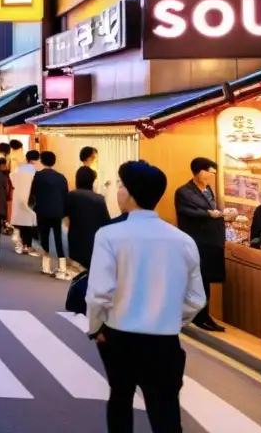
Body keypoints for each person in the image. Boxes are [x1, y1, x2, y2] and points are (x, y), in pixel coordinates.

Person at [87, 161, 205, 433]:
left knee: (120, 398)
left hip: (119, 336)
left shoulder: (109, 235)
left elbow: (99, 294)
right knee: (165, 410)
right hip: (164, 340)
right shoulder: (183, 240)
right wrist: (171, 319)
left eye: (121, 185)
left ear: (130, 193)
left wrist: (96, 329)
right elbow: (196, 298)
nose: (118, 191)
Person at [175, 157, 227, 332]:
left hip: (212, 241)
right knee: (198, 279)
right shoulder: (184, 191)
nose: (211, 176)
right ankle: (199, 315)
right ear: (199, 171)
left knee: (207, 279)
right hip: (197, 241)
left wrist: (222, 214)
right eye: (209, 172)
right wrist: (208, 214)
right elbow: (185, 211)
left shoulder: (209, 189)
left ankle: (204, 315)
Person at [30, 151, 69, 278]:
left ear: (41, 161)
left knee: (44, 237)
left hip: (42, 211)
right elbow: (65, 195)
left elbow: (33, 193)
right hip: (58, 211)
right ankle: (62, 267)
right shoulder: (61, 177)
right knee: (58, 238)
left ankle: (46, 266)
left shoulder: (38, 176)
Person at [64, 166, 111, 270]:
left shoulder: (71, 196)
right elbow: (107, 222)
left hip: (75, 241)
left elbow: (64, 217)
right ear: (92, 181)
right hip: (94, 243)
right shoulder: (99, 199)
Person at [10, 150, 39, 255]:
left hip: (17, 198)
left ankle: (20, 244)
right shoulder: (34, 170)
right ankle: (27, 246)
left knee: (20, 221)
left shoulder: (18, 169)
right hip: (29, 199)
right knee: (28, 223)